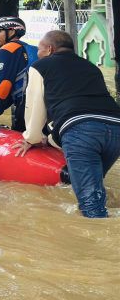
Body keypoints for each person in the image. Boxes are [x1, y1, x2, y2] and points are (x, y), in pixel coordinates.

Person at [15, 30, 120, 218]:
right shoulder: (91, 67)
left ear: (49, 49)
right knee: (94, 189)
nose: (36, 53)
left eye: (38, 49)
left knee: (91, 206)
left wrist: (31, 138)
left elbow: (35, 105)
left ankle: (92, 244)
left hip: (81, 130)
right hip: (115, 127)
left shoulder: (40, 66)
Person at [0, 16, 38, 131]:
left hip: (24, 107)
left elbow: (4, 83)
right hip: (40, 104)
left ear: (11, 31)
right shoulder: (31, 48)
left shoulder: (7, 49)